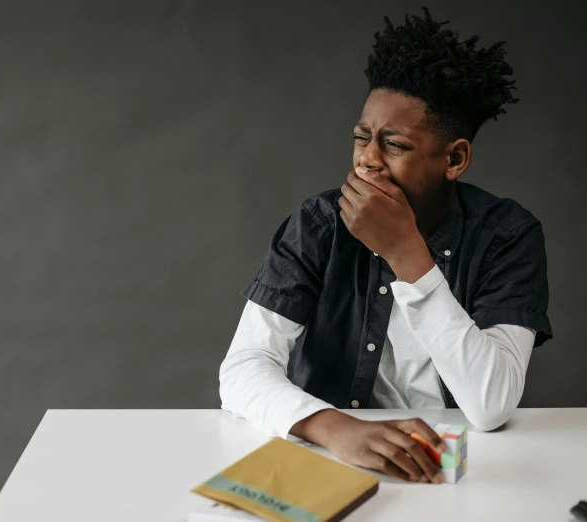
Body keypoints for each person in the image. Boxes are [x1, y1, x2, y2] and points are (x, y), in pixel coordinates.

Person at [219, 7, 552, 485]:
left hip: (460, 471)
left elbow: (490, 405)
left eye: (393, 145)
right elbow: (242, 369)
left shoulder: (507, 236)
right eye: (361, 138)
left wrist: (407, 254)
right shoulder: (319, 223)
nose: (367, 161)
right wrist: (334, 428)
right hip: (328, 459)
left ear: (454, 159)